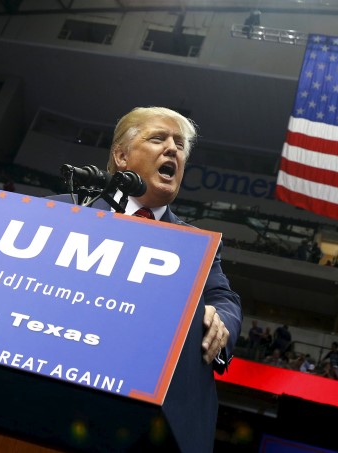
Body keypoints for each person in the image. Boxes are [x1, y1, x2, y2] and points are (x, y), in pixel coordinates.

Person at [47, 106, 242, 452]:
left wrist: (220, 322)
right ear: (121, 156)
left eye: (180, 145)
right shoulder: (59, 213)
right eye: (158, 138)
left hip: (141, 426)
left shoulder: (197, 245)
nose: (173, 150)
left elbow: (224, 300)